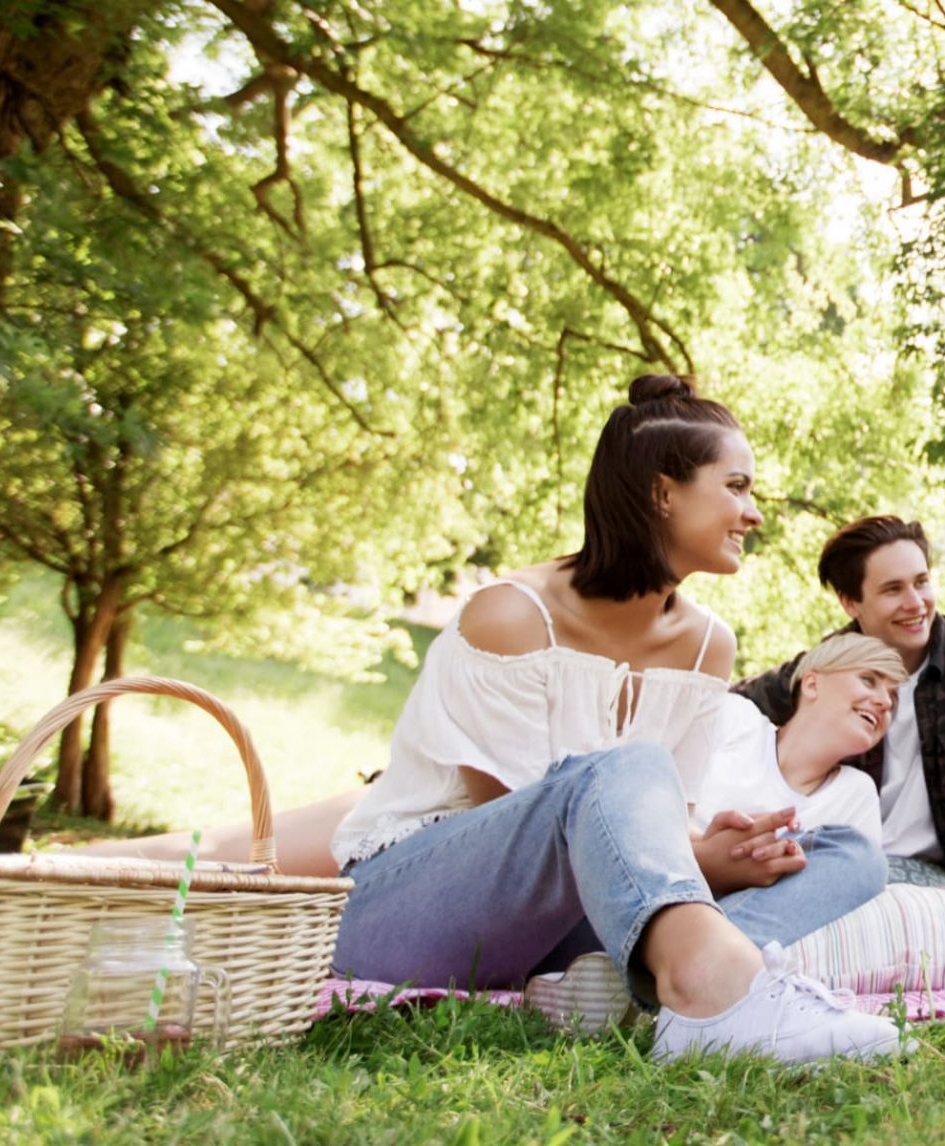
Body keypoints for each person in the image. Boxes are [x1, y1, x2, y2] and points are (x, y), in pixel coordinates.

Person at [327, 375, 904, 1064]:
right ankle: (710, 988)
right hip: (409, 908)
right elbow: (525, 830)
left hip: (578, 922)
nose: (753, 514)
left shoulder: (707, 645)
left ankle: (630, 987)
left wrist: (716, 850)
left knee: (847, 852)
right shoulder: (509, 616)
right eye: (737, 486)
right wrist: (691, 859)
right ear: (663, 493)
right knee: (628, 764)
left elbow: (661, 823)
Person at [737, 515, 945, 890]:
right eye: (893, 590)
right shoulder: (828, 667)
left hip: (930, 878)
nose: (916, 603)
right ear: (850, 603)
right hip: (828, 868)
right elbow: (733, 703)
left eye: (921, 582)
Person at [690, 633, 900, 850]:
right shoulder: (735, 717)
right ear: (811, 684)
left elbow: (857, 875)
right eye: (868, 680)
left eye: (893, 699)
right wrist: (710, 854)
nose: (885, 702)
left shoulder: (856, 794)